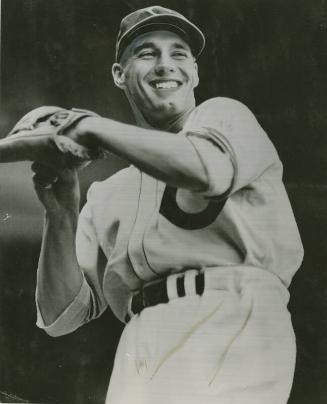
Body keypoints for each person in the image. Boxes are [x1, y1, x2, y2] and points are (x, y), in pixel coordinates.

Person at [29, 6, 303, 404]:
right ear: (119, 75)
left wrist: (92, 126)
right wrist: (60, 214)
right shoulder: (106, 193)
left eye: (178, 54)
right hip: (140, 337)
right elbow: (61, 317)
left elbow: (208, 169)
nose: (164, 65)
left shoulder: (225, 116)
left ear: (194, 73)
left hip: (232, 311)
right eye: (146, 53)